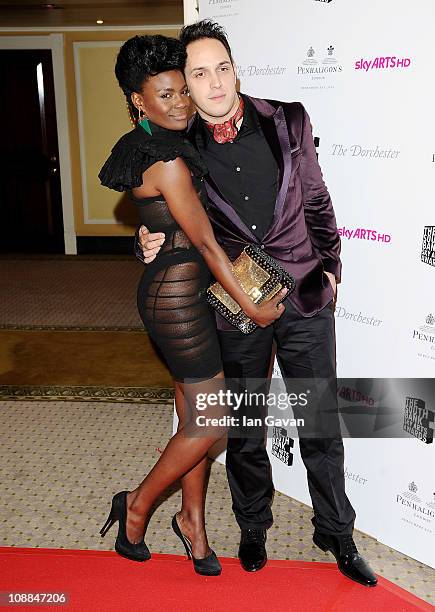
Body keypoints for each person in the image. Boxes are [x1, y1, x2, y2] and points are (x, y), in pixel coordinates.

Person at [136, 20, 377, 587]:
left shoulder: (286, 118)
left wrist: (332, 269)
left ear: (234, 67)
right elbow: (165, 214)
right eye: (199, 73)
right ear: (186, 84)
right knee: (245, 425)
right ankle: (252, 525)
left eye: (222, 67)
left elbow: (316, 196)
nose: (215, 83)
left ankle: (337, 532)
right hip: (237, 303)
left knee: (320, 420)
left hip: (304, 293)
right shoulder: (178, 148)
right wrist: (143, 237)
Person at [97, 34, 286, 576]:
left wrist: (144, 238)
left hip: (180, 290)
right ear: (140, 101)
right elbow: (204, 242)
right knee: (212, 419)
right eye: (166, 94)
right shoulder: (169, 160)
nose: (181, 103)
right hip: (176, 300)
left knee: (190, 410)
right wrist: (252, 307)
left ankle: (193, 520)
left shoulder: (154, 141)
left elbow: (162, 222)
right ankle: (135, 507)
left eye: (183, 90)